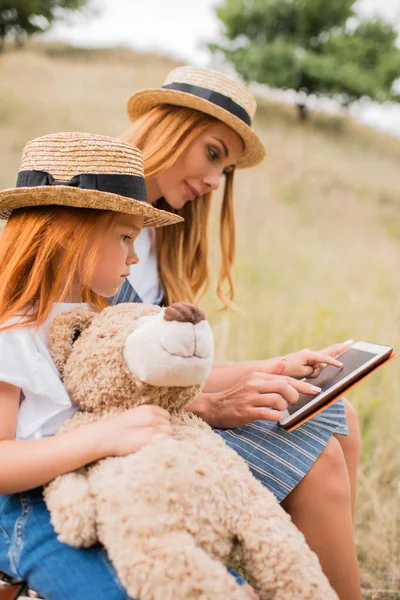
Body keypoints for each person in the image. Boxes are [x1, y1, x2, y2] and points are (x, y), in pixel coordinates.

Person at [115, 66, 362, 600]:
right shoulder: (98, 224)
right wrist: (214, 405)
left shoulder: (162, 238)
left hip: (162, 410)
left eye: (225, 168)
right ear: (169, 128)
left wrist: (274, 367)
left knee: (336, 412)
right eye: (212, 153)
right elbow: (81, 379)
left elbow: (166, 373)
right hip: (109, 429)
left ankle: (319, 566)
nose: (213, 182)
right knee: (317, 458)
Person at [0, 131, 263, 600]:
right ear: (68, 234)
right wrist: (101, 438)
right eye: (124, 236)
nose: (134, 256)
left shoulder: (99, 322)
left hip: (108, 488)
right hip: (32, 508)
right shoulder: (15, 331)